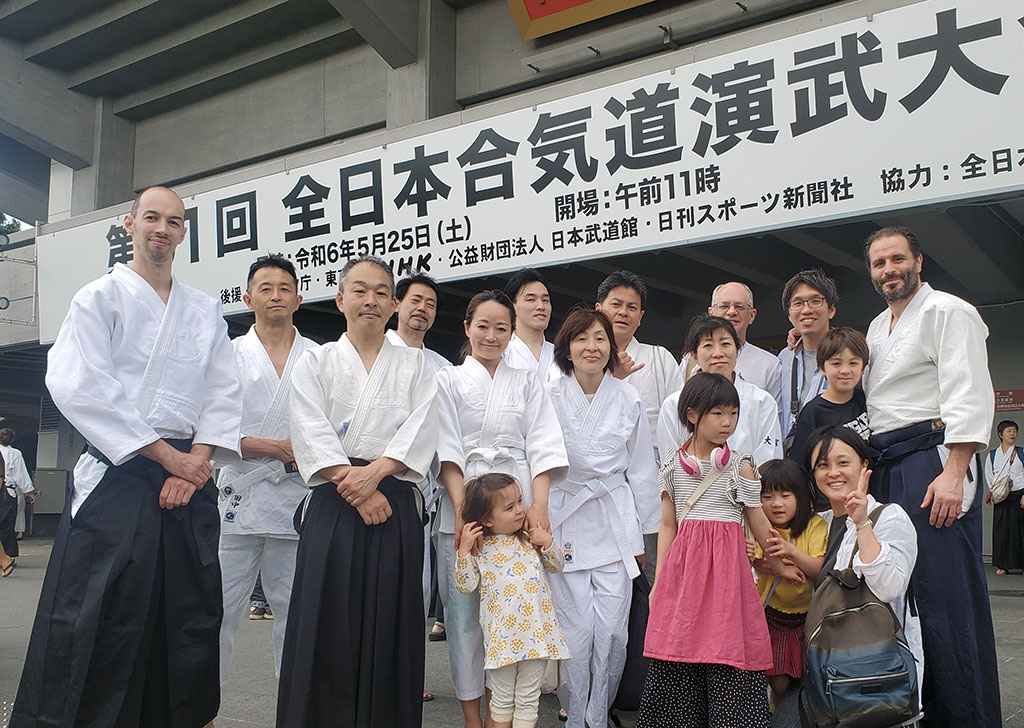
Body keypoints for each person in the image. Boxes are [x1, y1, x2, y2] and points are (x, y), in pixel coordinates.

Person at [12, 186, 243, 727]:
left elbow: (224, 391)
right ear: (129, 223)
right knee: (95, 611)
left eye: (174, 222)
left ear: (184, 233)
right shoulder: (99, 297)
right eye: (152, 218)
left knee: (185, 613)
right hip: (120, 472)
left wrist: (196, 462)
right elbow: (79, 385)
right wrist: (167, 458)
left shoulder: (205, 309)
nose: (162, 229)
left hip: (187, 476)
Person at [277, 255, 438, 728]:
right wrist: (358, 486)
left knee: (391, 622)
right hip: (334, 497)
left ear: (393, 305)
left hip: (394, 499)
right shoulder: (316, 362)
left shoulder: (416, 366)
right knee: (327, 622)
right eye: (360, 290)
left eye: (381, 292)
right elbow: (308, 428)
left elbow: (424, 426)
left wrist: (378, 472)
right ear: (340, 299)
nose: (371, 300)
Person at [862, 225, 998, 726]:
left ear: (919, 261)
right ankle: (916, 709)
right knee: (900, 593)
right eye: (879, 263)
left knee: (945, 593)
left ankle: (965, 714)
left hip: (934, 459)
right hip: (889, 463)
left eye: (897, 259)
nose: (889, 270)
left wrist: (956, 470)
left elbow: (968, 391)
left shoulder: (949, 311)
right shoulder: (878, 326)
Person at [435, 290, 568, 728]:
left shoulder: (526, 380)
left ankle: (503, 713)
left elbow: (544, 443)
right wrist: (461, 510)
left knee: (508, 611)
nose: (491, 336)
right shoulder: (449, 380)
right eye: (483, 326)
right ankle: (474, 716)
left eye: (502, 328)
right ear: (467, 327)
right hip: (466, 499)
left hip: (516, 502)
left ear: (512, 332)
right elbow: (446, 448)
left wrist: (538, 507)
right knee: (464, 617)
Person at [638, 373, 796, 728]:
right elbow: (667, 526)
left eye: (733, 414)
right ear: (692, 415)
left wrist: (780, 562)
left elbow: (759, 523)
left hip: (729, 578)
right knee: (679, 651)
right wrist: (659, 581)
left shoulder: (741, 465)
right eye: (718, 414)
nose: (728, 423)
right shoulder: (673, 467)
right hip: (683, 576)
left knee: (728, 651)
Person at [544, 308, 659, 728]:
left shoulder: (628, 397)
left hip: (614, 520)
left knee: (612, 633)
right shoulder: (549, 395)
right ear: (567, 349)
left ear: (612, 348)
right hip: (566, 516)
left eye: (600, 338)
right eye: (581, 339)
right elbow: (536, 463)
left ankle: (598, 713)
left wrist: (644, 538)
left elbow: (642, 470)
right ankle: (578, 717)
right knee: (576, 634)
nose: (591, 347)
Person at [216, 254, 317, 683]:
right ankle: (203, 710)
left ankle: (297, 712)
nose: (275, 295)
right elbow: (210, 427)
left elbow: (334, 428)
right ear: (246, 298)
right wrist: (273, 447)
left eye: (284, 288)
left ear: (298, 297)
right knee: (216, 611)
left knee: (297, 615)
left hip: (296, 500)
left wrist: (301, 450)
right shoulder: (227, 355)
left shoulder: (319, 357)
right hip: (238, 494)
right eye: (265, 288)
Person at [805, 426, 922, 696]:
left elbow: (889, 588)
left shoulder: (890, 516)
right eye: (822, 465)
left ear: (864, 464)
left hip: (878, 673)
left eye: (843, 462)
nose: (833, 473)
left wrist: (862, 523)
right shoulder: (818, 525)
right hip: (830, 671)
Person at [455, 473, 571, 728]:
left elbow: (557, 566)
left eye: (520, 501)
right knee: (502, 700)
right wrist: (463, 551)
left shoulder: (530, 539)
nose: (520, 510)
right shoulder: (480, 549)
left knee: (529, 700)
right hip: (502, 639)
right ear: (486, 519)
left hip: (536, 637)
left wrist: (549, 543)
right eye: (510, 507)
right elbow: (465, 586)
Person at [595, 270, 682, 581]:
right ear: (599, 308)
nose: (623, 312)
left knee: (655, 572)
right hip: (601, 486)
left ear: (641, 316)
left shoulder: (659, 358)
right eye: (616, 304)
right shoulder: (582, 359)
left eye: (632, 307)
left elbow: (680, 421)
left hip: (653, 482)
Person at [386, 272, 452, 653]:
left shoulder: (442, 367)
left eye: (430, 304)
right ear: (397, 305)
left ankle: (410, 675)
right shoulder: (376, 353)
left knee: (419, 584)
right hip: (379, 482)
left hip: (425, 489)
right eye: (415, 300)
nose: (422, 309)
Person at [748, 459, 826, 707]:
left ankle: (798, 713)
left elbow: (818, 569)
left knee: (807, 675)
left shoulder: (815, 526)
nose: (776, 504)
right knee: (778, 681)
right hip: (772, 615)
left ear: (801, 496)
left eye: (785, 495)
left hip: (807, 617)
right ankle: (777, 713)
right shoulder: (759, 528)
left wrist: (789, 552)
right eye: (767, 497)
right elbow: (758, 562)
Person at [658, 315, 781, 468]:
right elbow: (671, 465)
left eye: (725, 344)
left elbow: (768, 463)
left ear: (738, 350)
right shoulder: (674, 404)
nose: (718, 353)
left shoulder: (762, 401)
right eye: (708, 345)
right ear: (694, 355)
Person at [785, 327, 871, 490]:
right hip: (827, 502)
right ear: (822, 368)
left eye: (853, 363)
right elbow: (799, 466)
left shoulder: (864, 399)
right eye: (836, 363)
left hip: (864, 495)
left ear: (863, 367)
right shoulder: (814, 411)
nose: (845, 370)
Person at [680, 282, 782, 410]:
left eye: (739, 307)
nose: (732, 312)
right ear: (711, 312)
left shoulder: (770, 364)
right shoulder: (689, 362)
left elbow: (776, 418)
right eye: (724, 306)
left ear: (752, 315)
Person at [778, 270, 837, 439]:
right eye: (798, 303)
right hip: (791, 458)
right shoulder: (784, 358)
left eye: (815, 301)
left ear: (831, 310)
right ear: (789, 314)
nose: (806, 310)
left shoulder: (848, 355)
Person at [984, 421, 1024, 575]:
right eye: (1009, 431)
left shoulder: (1020, 452)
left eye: (1014, 431)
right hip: (1001, 496)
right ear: (1000, 435)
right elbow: (990, 475)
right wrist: (994, 492)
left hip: (1019, 495)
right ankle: (1003, 565)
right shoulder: (993, 455)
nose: (1012, 434)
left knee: (1020, 530)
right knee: (1001, 531)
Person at [502, 268, 555, 379]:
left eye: (545, 300)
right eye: (531, 299)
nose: (541, 306)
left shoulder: (560, 354)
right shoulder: (502, 353)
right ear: (512, 307)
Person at [0, 428, 35, 576]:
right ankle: (7, 556)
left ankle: (5, 558)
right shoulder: (15, 453)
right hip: (8, 492)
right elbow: (20, 474)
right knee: (7, 525)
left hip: (5, 490)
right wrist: (29, 491)